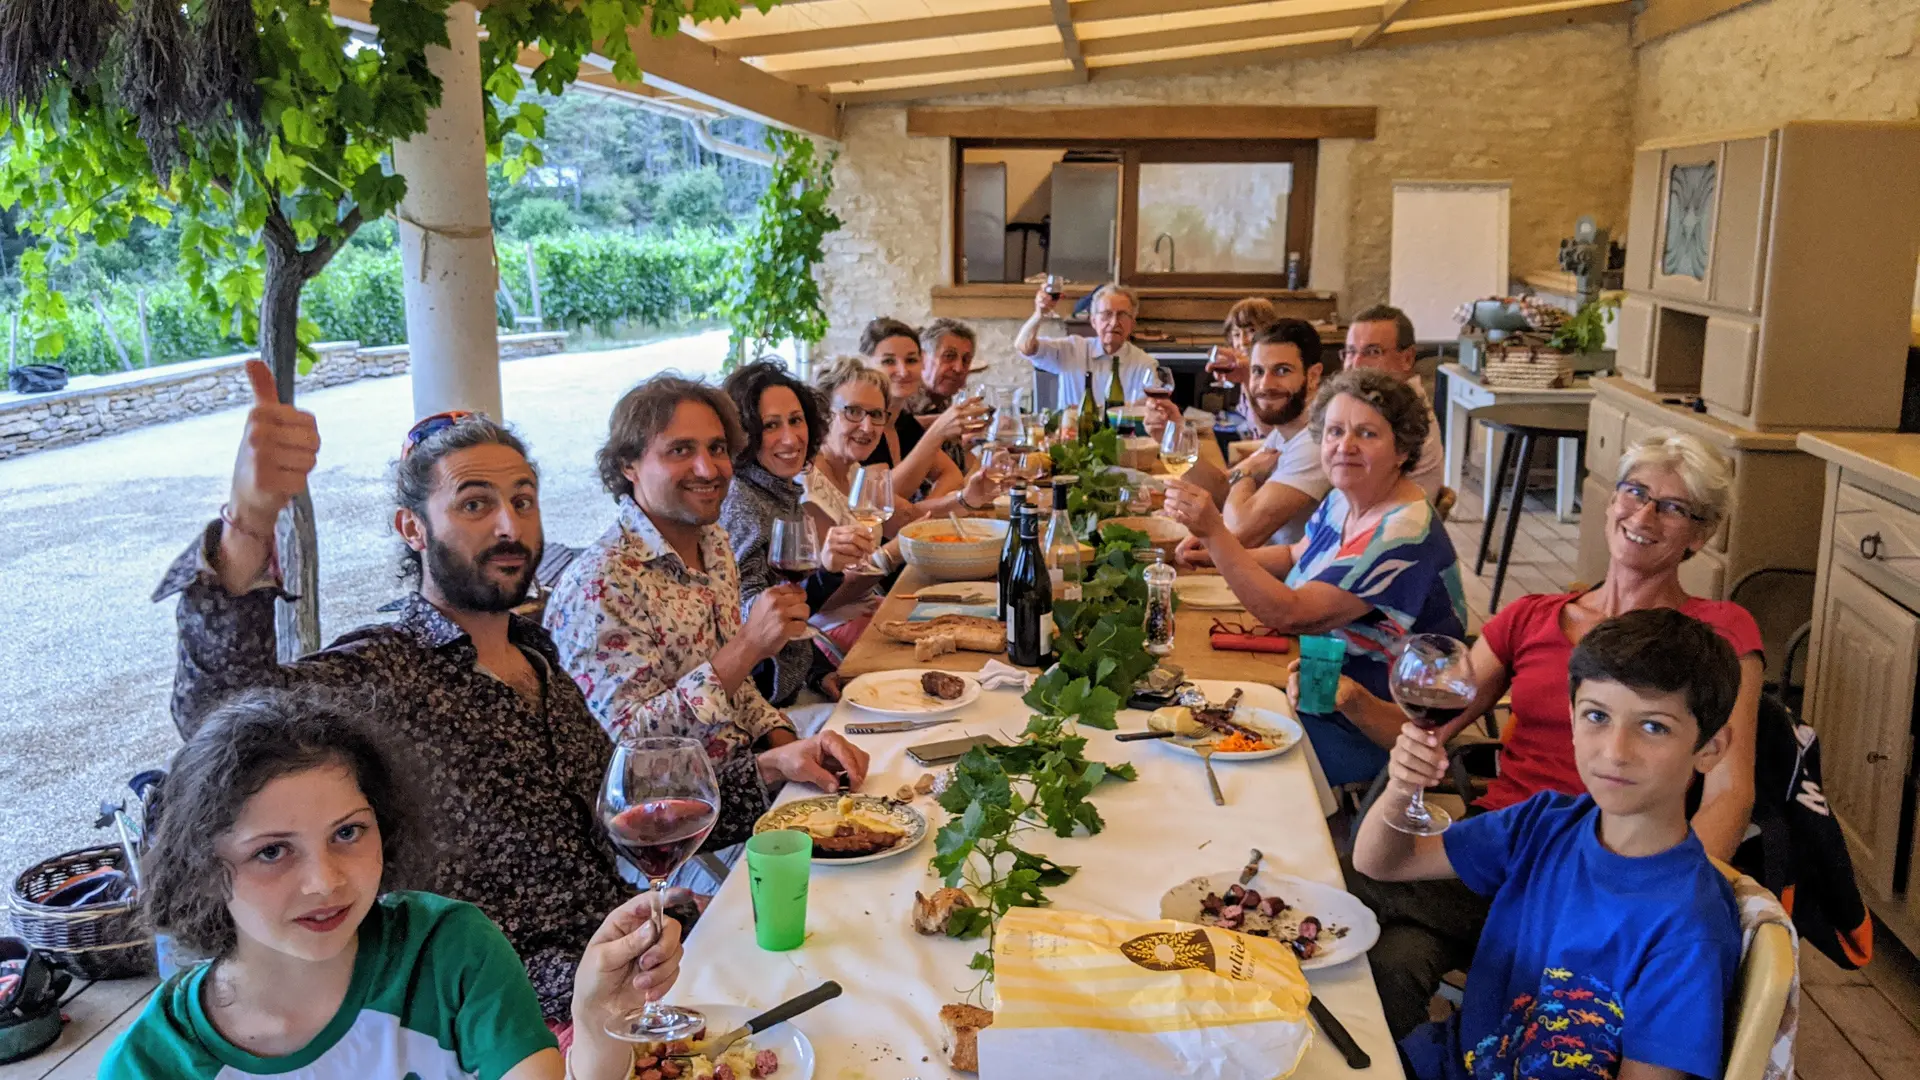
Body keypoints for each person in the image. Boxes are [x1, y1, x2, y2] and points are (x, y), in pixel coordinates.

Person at [154, 361, 675, 1022]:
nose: (510, 527)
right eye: (475, 503)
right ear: (413, 528)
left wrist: (763, 771)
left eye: (523, 499)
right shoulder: (382, 671)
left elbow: (617, 807)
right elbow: (223, 713)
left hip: (624, 965)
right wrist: (249, 526)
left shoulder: (536, 655)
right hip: (488, 1015)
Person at [1332, 429, 1764, 1038]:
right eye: (1634, 492)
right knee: (1391, 960)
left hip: (1605, 873)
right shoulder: (1532, 615)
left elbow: (1728, 792)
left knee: (1347, 882)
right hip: (1501, 847)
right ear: (1611, 501)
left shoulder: (1710, 636)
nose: (1644, 514)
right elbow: (1426, 725)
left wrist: (1649, 903)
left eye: (1672, 506)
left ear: (1700, 534)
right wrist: (1351, 703)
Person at [102, 692, 679, 1079]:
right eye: (272, 852)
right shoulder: (156, 1060)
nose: (324, 880)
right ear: (202, 868)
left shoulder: (450, 952)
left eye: (348, 832)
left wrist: (600, 1014)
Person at [1355, 609, 1743, 1080]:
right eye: (1597, 716)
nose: (1615, 751)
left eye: (1653, 726)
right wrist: (1401, 787)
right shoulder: (1545, 823)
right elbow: (1382, 863)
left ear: (1710, 748)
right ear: (1572, 720)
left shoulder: (1687, 927)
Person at [543, 375, 871, 834]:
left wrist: (789, 742)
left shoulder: (712, 543)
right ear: (629, 465)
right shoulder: (601, 585)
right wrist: (749, 648)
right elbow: (631, 758)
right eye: (680, 450)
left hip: (754, 775)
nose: (707, 468)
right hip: (681, 823)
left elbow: (739, 691)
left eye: (717, 448)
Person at [1163, 368, 1466, 786]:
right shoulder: (1347, 498)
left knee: (1202, 754)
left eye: (1367, 434)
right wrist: (1222, 555)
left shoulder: (1401, 534)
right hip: (1317, 679)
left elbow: (1291, 614)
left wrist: (1217, 536)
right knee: (1185, 709)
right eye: (1335, 431)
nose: (1345, 446)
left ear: (1402, 450)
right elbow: (1295, 554)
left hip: (1373, 719)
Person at [718, 360, 879, 705]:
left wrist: (817, 671)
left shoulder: (778, 489)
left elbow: (792, 619)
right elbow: (752, 622)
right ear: (745, 434)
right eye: (771, 425)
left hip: (797, 685)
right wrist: (826, 573)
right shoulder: (743, 502)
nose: (791, 438)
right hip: (766, 705)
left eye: (796, 420)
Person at [1178, 319, 1331, 555]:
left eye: (1282, 371)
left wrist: (1246, 474)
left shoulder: (1315, 442)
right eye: (1258, 371)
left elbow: (1240, 531)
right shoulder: (1286, 430)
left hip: (1284, 582)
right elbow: (1221, 491)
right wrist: (1173, 436)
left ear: (1313, 376)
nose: (1265, 384)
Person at [856, 317, 982, 503]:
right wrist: (937, 431)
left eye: (911, 360)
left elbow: (952, 474)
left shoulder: (903, 421)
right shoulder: (863, 422)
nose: (904, 371)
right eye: (889, 361)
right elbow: (879, 501)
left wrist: (921, 516)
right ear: (867, 366)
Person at [1340, 304, 1444, 499]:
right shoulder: (1375, 403)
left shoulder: (1400, 413)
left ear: (1407, 358)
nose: (1356, 364)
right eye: (1351, 352)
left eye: (1372, 352)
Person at [1015, 282, 1158, 408]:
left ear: (1132, 324)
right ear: (1093, 321)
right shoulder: (1072, 349)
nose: (1114, 323)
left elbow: (1150, 407)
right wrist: (1039, 314)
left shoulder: (1145, 364)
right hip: (1072, 435)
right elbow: (1024, 346)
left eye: (1122, 315)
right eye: (1106, 314)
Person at [1203, 296, 1283, 439]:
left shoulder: (1277, 376)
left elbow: (1271, 435)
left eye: (1251, 330)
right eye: (1236, 334)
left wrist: (1247, 378)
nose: (1243, 342)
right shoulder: (1249, 370)